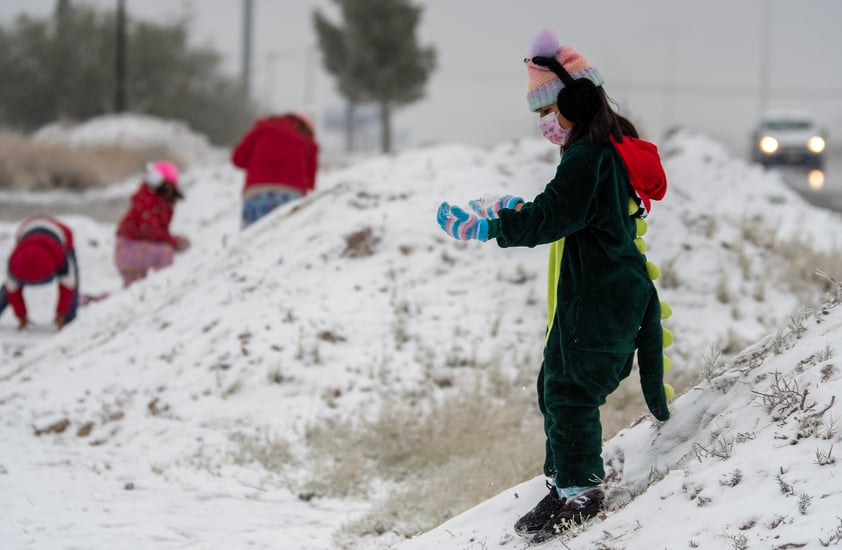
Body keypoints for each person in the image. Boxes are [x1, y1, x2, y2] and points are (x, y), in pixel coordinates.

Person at [436, 29, 672, 544]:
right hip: (596, 295)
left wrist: (493, 226)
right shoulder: (593, 149)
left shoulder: (589, 156)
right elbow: (561, 208)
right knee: (555, 384)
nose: (545, 124)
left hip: (603, 299)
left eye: (549, 113)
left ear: (573, 104)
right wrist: (511, 209)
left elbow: (554, 215)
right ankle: (564, 484)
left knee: (570, 393)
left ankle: (583, 492)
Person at [231, 112, 319, 228]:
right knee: (284, 241)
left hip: (256, 193)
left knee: (252, 239)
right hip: (292, 196)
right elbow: (310, 182)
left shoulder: (262, 129)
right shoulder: (306, 138)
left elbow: (237, 159)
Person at [114, 161, 189, 287]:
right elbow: (150, 230)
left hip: (128, 249)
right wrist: (174, 242)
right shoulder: (150, 200)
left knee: (132, 289)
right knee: (166, 252)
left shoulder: (155, 200)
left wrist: (171, 239)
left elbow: (154, 230)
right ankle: (162, 285)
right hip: (128, 249)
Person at [0, 216, 79, 330]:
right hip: (26, 232)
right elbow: (12, 290)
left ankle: (68, 318)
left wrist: (61, 313)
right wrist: (21, 316)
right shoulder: (15, 261)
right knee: (9, 285)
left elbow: (68, 286)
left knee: (72, 277)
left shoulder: (62, 259)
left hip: (61, 234)